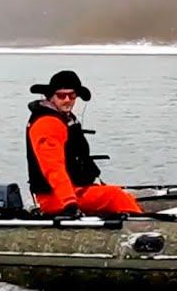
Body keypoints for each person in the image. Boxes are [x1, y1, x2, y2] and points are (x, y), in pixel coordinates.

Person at [25, 70, 143, 217]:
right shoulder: (47, 124)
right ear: (51, 97)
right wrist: (69, 203)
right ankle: (143, 229)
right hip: (57, 198)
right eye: (61, 95)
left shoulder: (63, 118)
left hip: (75, 189)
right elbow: (53, 167)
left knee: (123, 196)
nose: (67, 99)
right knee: (116, 196)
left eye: (72, 95)